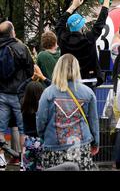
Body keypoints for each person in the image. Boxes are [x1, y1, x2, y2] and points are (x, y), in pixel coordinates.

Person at [36, 54, 99, 170]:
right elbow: (93, 121)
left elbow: (40, 120)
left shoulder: (48, 93)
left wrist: (44, 136)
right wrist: (96, 142)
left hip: (53, 146)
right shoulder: (88, 92)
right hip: (80, 146)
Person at [55, 0, 113, 89]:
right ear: (82, 26)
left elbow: (59, 24)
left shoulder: (63, 39)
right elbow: (100, 23)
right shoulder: (88, 39)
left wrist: (73, 6)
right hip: (88, 82)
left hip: (68, 83)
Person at [0, 21, 34, 170]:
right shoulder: (21, 48)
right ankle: (23, 160)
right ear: (12, 32)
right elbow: (31, 70)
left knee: (0, 128)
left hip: (1, 93)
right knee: (23, 129)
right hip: (19, 94)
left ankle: (0, 158)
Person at [21, 80, 45, 171]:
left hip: (29, 141)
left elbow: (19, 90)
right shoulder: (44, 106)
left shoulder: (23, 104)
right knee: (42, 167)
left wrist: (30, 78)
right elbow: (55, 88)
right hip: (42, 141)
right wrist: (43, 78)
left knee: (28, 167)